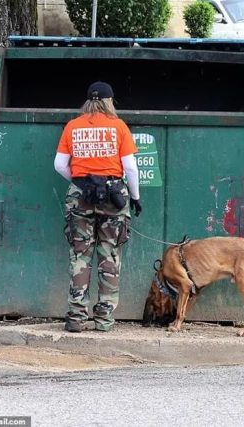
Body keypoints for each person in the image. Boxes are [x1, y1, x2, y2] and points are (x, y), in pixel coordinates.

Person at [54, 81, 142, 333]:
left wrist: (80, 181)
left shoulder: (73, 126)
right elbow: (131, 168)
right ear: (110, 101)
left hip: (80, 195)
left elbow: (59, 165)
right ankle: (104, 320)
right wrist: (135, 196)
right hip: (113, 197)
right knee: (110, 255)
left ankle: (76, 317)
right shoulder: (118, 127)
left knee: (80, 256)